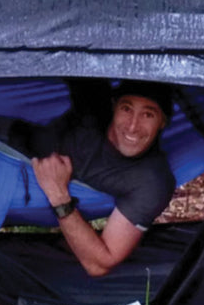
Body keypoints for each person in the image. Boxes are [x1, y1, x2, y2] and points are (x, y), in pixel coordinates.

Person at [23, 81, 177, 278]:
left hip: (11, 182)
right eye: (126, 109)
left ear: (163, 122)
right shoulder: (94, 99)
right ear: (114, 106)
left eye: (148, 114)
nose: (132, 126)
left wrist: (58, 196)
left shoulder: (152, 180)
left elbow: (100, 264)